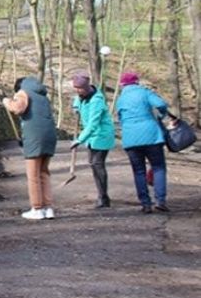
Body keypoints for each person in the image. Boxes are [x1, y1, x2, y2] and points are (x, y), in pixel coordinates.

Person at [115, 71, 172, 213]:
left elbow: (121, 117)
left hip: (131, 138)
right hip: (151, 135)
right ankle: (160, 200)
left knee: (138, 171)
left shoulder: (121, 98)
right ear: (136, 82)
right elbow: (160, 104)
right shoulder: (144, 92)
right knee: (158, 167)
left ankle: (145, 203)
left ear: (122, 84)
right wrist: (162, 114)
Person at [3, 76, 58, 220]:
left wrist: (7, 101)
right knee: (44, 173)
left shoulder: (23, 93)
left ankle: (37, 208)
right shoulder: (43, 97)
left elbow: (18, 108)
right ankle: (48, 208)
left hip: (35, 137)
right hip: (49, 136)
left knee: (33, 175)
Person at [69, 71, 115, 208]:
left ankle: (103, 197)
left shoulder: (97, 101)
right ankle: (102, 195)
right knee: (93, 164)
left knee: (97, 164)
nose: (77, 91)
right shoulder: (82, 95)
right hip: (91, 138)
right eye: (75, 88)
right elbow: (79, 99)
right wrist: (76, 106)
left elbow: (93, 124)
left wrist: (79, 139)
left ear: (87, 87)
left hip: (101, 135)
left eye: (79, 88)